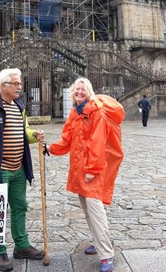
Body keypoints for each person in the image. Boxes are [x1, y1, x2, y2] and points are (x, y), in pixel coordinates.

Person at [44, 77, 124, 272]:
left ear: (89, 92)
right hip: (80, 171)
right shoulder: (76, 112)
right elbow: (67, 140)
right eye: (77, 89)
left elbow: (98, 142)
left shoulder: (96, 111)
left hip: (92, 171)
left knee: (95, 211)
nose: (79, 92)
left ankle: (106, 254)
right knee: (88, 211)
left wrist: (92, 170)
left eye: (83, 90)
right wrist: (50, 148)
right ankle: (98, 242)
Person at [0, 68, 45, 272]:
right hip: (1, 170)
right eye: (16, 83)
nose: (19, 87)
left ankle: (22, 246)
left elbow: (22, 132)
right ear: (3, 86)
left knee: (20, 207)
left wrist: (35, 135)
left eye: (20, 83)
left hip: (18, 168)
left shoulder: (18, 106)